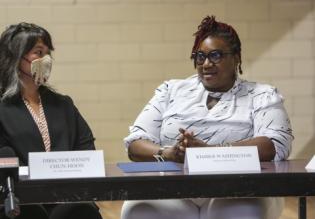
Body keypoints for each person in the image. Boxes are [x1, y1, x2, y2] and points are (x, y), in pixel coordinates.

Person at [121, 16, 293, 219]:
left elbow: (276, 144)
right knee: (139, 211)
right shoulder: (171, 90)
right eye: (200, 57)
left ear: (236, 57)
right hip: (173, 189)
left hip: (241, 187)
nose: (206, 64)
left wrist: (209, 153)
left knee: (241, 211)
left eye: (216, 55)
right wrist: (169, 153)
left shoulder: (262, 95)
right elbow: (135, 143)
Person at [0, 23, 102, 219]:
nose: (46, 60)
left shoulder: (63, 104)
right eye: (38, 52)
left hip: (66, 197)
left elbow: (85, 149)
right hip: (19, 200)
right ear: (15, 57)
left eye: (48, 53)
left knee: (80, 211)